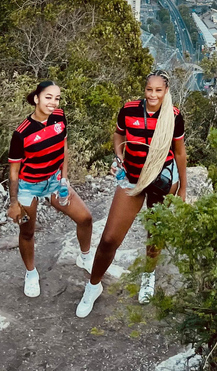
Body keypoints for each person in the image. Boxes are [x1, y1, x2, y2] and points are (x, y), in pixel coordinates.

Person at [77, 70, 187, 318]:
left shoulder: (173, 116)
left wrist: (183, 189)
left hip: (162, 181)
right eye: (150, 89)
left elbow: (179, 152)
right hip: (132, 178)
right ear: (144, 89)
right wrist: (119, 155)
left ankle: (148, 274)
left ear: (166, 92)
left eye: (159, 90)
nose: (153, 95)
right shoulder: (129, 110)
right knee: (109, 239)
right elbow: (119, 135)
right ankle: (93, 285)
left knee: (155, 232)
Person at [7, 80, 94, 298]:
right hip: (29, 186)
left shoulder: (59, 117)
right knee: (27, 232)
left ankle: (85, 256)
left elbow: (63, 145)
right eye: (48, 97)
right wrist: (14, 203)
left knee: (85, 218)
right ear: (36, 98)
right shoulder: (21, 134)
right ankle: (31, 273)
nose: (53, 103)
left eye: (57, 98)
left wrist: (64, 179)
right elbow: (14, 172)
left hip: (55, 181)